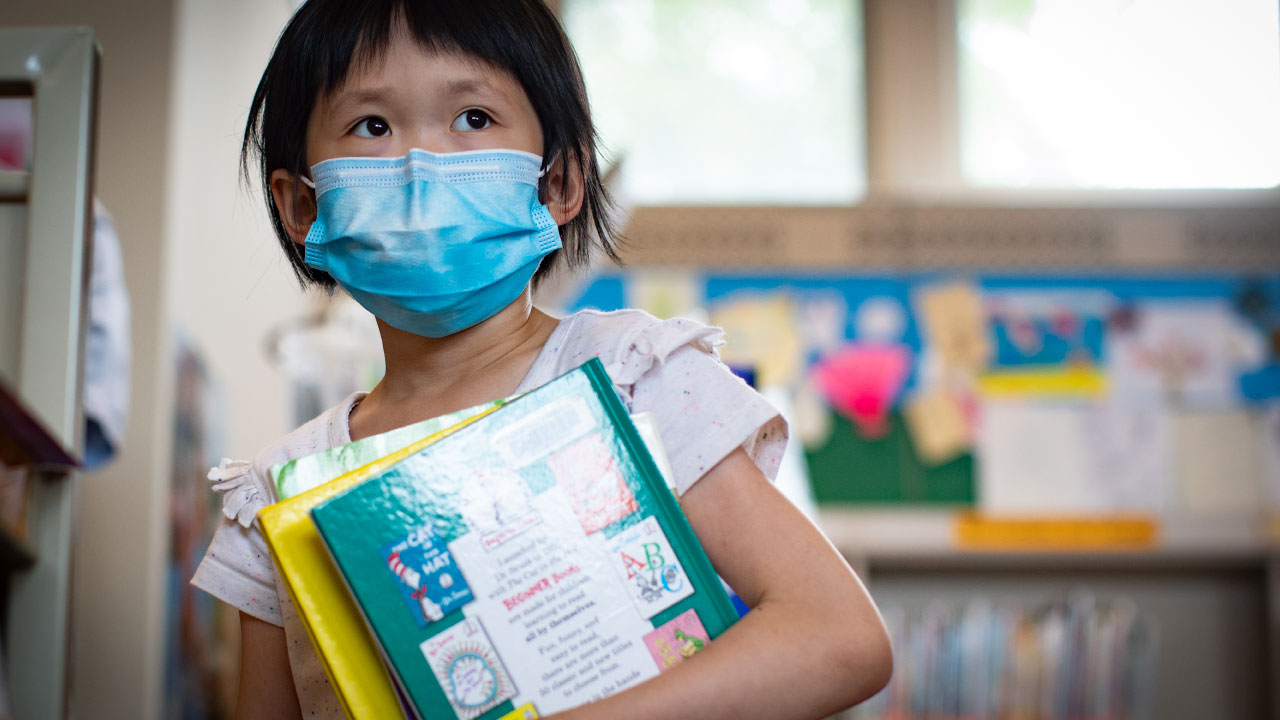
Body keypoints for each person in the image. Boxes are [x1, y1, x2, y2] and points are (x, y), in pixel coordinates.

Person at [191, 1, 893, 718]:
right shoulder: (275, 496)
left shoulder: (635, 380)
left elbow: (838, 637)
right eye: (373, 125)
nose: (421, 164)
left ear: (558, 183)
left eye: (473, 118)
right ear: (302, 204)